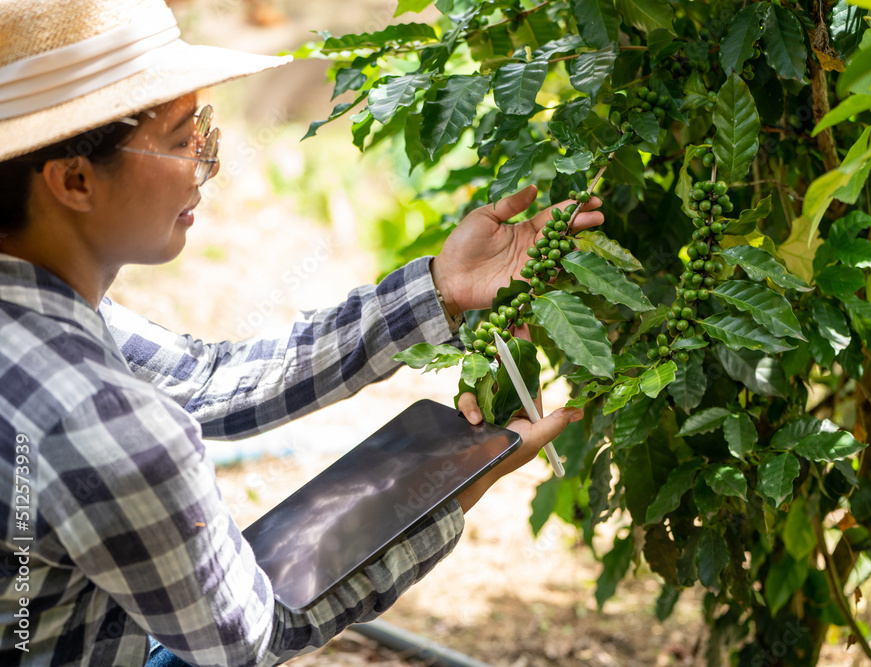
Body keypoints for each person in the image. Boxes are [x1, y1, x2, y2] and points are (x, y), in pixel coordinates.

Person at [0, 0, 604, 665]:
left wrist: (438, 288)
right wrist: (445, 491)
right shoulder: (107, 423)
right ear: (76, 179)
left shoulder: (42, 317)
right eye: (182, 138)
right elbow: (249, 634)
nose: (211, 160)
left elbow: (207, 381)